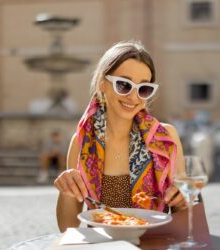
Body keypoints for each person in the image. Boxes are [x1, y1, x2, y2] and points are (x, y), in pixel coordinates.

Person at [54, 40, 187, 232]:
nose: (134, 97)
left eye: (144, 89)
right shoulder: (81, 142)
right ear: (103, 84)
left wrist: (183, 200)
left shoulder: (166, 138)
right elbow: (68, 227)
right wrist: (67, 190)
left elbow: (183, 215)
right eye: (124, 85)